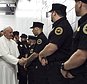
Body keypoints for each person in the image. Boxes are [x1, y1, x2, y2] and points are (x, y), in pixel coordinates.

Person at [39, 3, 73, 84]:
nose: (51, 15)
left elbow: (52, 47)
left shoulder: (61, 27)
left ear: (54, 13)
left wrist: (41, 55)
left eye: (51, 13)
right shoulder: (62, 25)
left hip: (58, 68)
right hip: (56, 66)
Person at [60, 0, 87, 84]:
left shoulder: (85, 26)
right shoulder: (82, 24)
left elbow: (81, 55)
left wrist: (64, 67)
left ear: (79, 4)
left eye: (75, 3)